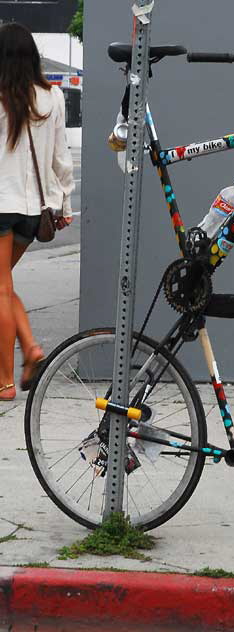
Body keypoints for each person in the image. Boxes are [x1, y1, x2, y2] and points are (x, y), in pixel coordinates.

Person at [0, 23, 74, 401]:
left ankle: (6, 382)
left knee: (0, 288)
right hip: (34, 212)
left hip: (0, 204)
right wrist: (64, 202)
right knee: (3, 286)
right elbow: (61, 157)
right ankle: (29, 350)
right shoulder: (53, 98)